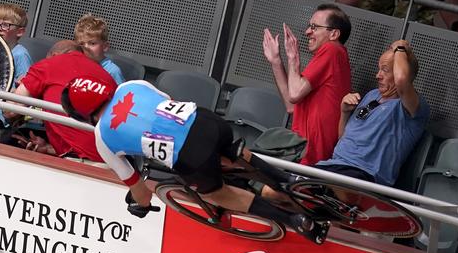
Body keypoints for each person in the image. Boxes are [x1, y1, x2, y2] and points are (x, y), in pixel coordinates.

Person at [61, 73, 326, 242]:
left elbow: (140, 191)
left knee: (216, 193)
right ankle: (287, 177)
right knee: (232, 151)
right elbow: (167, 104)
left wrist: (139, 205)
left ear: (79, 115)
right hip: (207, 120)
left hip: (191, 155)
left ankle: (294, 221)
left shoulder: (102, 137)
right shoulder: (133, 85)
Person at [314, 40, 429, 187]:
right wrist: (344, 112)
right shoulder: (372, 96)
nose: (378, 75)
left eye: (385, 70)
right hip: (332, 165)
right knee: (281, 190)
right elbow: (343, 140)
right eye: (379, 69)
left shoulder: (412, 108)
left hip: (363, 176)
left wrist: (400, 49)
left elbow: (401, 80)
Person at [260, 4, 352, 166]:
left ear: (334, 34)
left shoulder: (332, 50)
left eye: (314, 27)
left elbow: (294, 94)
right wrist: (275, 61)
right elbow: (291, 105)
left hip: (310, 155)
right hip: (300, 151)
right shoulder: (329, 58)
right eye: (309, 26)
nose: (307, 32)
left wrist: (293, 58)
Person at [13, 40, 107, 160]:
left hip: (84, 163)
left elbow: (10, 111)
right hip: (117, 162)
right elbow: (82, 136)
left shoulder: (50, 64)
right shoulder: (104, 73)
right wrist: (47, 148)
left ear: (53, 56)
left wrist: (17, 91)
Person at [0, 2, 33, 142]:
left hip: (5, 104)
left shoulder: (20, 54)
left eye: (5, 25)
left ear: (19, 31)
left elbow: (25, 84)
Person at [73, 13, 124, 84]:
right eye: (81, 44)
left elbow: (121, 94)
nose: (86, 47)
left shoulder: (112, 71)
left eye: (92, 43)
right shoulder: (76, 65)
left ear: (105, 47)